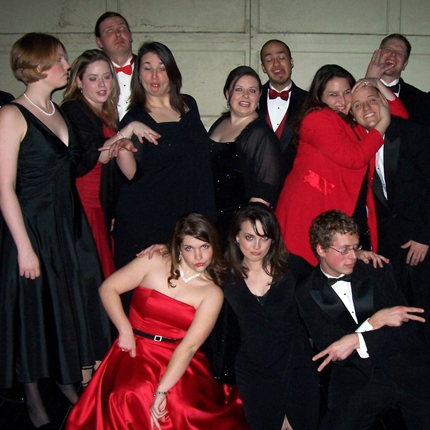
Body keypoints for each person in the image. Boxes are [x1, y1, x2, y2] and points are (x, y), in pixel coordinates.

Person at [0, 33, 111, 428]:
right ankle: (32, 399)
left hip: (67, 226)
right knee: (30, 311)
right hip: (31, 229)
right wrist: (24, 248)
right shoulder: (12, 115)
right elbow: (4, 189)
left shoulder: (57, 111)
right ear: (39, 65)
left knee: (64, 307)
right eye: (61, 59)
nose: (67, 65)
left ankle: (67, 382)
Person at [66, 213, 249, 430]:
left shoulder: (211, 293)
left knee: (179, 408)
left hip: (177, 356)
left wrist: (162, 390)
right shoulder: (153, 260)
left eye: (205, 247)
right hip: (135, 348)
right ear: (178, 247)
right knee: (129, 395)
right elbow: (108, 288)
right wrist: (124, 330)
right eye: (189, 248)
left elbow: (188, 347)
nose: (199, 256)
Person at [296, 209, 430, 430]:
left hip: (405, 367)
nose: (353, 256)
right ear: (321, 249)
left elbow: (407, 328)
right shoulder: (305, 293)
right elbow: (335, 352)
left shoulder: (375, 269)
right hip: (358, 380)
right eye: (344, 249)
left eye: (355, 247)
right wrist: (373, 323)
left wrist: (356, 340)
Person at [275, 64, 408, 266]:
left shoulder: (352, 123)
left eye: (347, 92)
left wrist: (376, 84)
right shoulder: (317, 118)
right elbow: (354, 158)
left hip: (337, 212)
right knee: (303, 276)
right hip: (307, 210)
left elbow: (401, 117)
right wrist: (383, 123)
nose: (343, 101)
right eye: (333, 94)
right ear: (320, 97)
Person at [113, 41, 215, 272]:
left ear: (172, 71)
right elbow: (130, 176)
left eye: (161, 67)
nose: (155, 75)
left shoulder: (189, 105)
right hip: (151, 219)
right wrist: (123, 147)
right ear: (138, 75)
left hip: (192, 210)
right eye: (147, 68)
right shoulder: (134, 118)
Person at [62, 49, 159, 280]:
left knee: (103, 276)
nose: (102, 84)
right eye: (93, 78)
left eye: (106, 76)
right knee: (93, 278)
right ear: (78, 82)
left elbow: (126, 173)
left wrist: (125, 145)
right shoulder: (73, 109)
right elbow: (95, 155)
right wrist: (129, 129)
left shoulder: (105, 112)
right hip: (83, 207)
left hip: (102, 206)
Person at [223, 203, 319, 430]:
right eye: (249, 237)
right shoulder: (223, 275)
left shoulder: (292, 267)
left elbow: (327, 280)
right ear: (236, 237)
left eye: (264, 238)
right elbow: (187, 265)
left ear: (273, 239)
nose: (257, 246)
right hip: (254, 372)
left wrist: (357, 253)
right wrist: (165, 250)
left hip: (296, 364)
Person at [350, 84, 430, 345]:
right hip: (386, 249)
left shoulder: (413, 133)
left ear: (384, 102)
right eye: (358, 105)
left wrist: (424, 235)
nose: (366, 109)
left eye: (371, 100)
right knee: (399, 320)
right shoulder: (357, 146)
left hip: (422, 241)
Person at [208, 66, 282, 239]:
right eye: (239, 89)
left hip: (236, 225)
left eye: (252, 90)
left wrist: (242, 234)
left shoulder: (260, 134)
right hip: (212, 218)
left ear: (259, 96)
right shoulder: (220, 123)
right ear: (228, 94)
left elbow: (264, 192)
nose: (246, 96)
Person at [258, 40, 307, 177]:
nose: (276, 64)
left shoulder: (309, 101)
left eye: (281, 57)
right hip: (257, 186)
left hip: (296, 184)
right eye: (269, 60)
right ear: (263, 67)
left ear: (291, 62)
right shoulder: (251, 99)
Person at [366, 33, 430, 126]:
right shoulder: (351, 94)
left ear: (404, 64)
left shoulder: (422, 100)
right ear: (378, 54)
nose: (393, 55)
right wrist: (367, 82)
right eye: (388, 49)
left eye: (400, 53)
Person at [95, 12, 136, 120]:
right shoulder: (91, 75)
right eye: (109, 31)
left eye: (122, 28)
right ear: (99, 42)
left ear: (130, 35)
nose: (118, 34)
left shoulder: (148, 70)